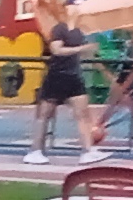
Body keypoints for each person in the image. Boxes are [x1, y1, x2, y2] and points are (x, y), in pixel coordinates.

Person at [34, 13, 91, 157]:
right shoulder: (60, 28)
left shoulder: (80, 30)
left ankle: (88, 151)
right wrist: (81, 49)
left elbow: (84, 53)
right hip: (57, 75)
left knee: (82, 113)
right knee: (45, 114)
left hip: (74, 76)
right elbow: (56, 50)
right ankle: (35, 151)